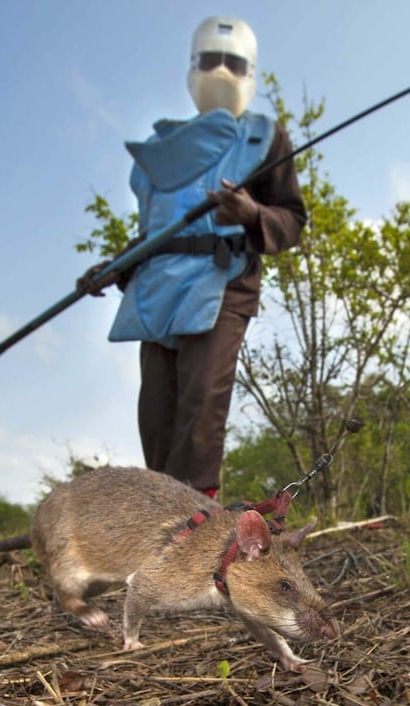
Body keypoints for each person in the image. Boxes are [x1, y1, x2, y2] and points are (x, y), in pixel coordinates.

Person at [78, 16, 307, 498]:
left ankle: (197, 522)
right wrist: (113, 268)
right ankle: (161, 519)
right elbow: (154, 233)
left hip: (224, 283)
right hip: (158, 285)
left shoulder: (266, 138)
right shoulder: (163, 147)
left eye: (234, 62)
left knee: (201, 405)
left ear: (250, 71)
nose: (221, 72)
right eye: (210, 60)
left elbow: (291, 220)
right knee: (157, 411)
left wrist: (249, 212)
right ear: (192, 66)